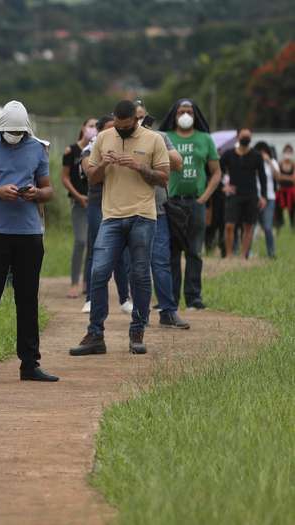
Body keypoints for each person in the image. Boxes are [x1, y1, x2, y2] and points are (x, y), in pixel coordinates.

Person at [0, 100, 59, 384]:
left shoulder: (36, 148)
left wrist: (36, 194)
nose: (15, 135)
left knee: (27, 298)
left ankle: (30, 363)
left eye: (20, 131)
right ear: (0, 126)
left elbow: (49, 189)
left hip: (29, 233)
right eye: (11, 130)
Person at [70, 100, 170, 356]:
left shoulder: (153, 140)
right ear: (114, 119)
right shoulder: (103, 138)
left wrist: (138, 166)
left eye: (127, 127)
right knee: (99, 272)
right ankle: (95, 334)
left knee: (139, 274)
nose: (122, 131)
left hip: (143, 216)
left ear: (136, 120)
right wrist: (104, 164)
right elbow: (92, 178)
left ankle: (137, 331)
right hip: (111, 216)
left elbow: (163, 178)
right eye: (119, 126)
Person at [159, 99, 221, 310]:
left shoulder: (205, 139)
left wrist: (204, 197)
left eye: (189, 111)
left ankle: (194, 297)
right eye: (181, 111)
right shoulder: (166, 138)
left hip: (196, 203)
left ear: (195, 116)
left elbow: (216, 172)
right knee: (172, 253)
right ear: (174, 115)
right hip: (171, 203)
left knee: (194, 251)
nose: (185, 115)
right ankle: (171, 299)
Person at [136, 101, 189, 329]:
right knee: (136, 265)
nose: (138, 121)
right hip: (131, 210)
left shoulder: (159, 137)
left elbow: (178, 163)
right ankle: (140, 314)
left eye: (142, 117)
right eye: (134, 117)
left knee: (161, 262)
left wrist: (152, 144)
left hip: (158, 210)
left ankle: (168, 311)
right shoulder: (117, 138)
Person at [81, 115, 132, 315]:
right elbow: (89, 173)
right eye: (110, 128)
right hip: (97, 202)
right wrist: (103, 162)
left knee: (121, 252)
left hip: (120, 202)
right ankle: (91, 298)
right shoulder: (91, 148)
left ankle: (124, 298)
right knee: (96, 248)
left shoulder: (128, 146)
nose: (114, 132)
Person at [61, 118, 96, 299]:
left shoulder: (97, 149)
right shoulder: (71, 150)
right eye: (90, 125)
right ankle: (74, 282)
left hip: (95, 202)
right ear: (83, 128)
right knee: (80, 241)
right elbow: (65, 178)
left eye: (96, 126)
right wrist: (78, 196)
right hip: (78, 202)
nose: (93, 129)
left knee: (92, 243)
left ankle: (86, 282)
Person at [220, 128, 267, 259]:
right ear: (237, 137)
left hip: (251, 195)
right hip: (234, 194)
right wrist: (224, 186)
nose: (245, 138)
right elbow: (218, 170)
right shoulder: (228, 154)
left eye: (248, 136)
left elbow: (262, 177)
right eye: (243, 136)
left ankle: (243, 255)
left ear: (251, 138)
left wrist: (263, 196)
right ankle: (229, 255)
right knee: (229, 225)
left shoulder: (257, 156)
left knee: (248, 226)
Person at [253, 141, 280, 258]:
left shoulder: (272, 162)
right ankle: (248, 252)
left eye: (264, 151)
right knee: (252, 226)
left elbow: (278, 176)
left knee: (267, 227)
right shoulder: (253, 162)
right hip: (255, 197)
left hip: (269, 198)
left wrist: (268, 161)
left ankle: (271, 252)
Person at [274, 143, 295, 230]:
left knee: (292, 209)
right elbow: (277, 177)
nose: (287, 154)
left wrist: (283, 176)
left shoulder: (293, 164)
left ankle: (292, 225)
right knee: (279, 208)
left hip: (291, 190)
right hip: (281, 190)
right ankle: (279, 225)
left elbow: (293, 179)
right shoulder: (279, 164)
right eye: (286, 152)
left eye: (289, 152)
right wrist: (288, 177)